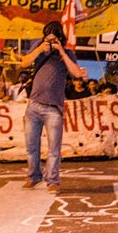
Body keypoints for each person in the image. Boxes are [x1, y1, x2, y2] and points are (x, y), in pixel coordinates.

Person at [20, 21, 83, 194]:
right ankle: (33, 176)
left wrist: (61, 51)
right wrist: (40, 49)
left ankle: (52, 180)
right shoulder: (39, 50)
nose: (51, 43)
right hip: (33, 105)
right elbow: (23, 63)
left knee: (54, 148)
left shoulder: (66, 54)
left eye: (54, 40)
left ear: (60, 39)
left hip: (53, 109)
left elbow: (77, 74)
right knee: (31, 146)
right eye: (48, 39)